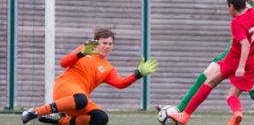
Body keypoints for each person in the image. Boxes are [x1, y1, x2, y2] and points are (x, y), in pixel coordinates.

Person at [21, 28, 159, 125]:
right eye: (104, 43)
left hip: (78, 101)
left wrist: (138, 73)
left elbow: (120, 83)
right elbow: (63, 63)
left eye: (110, 44)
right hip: (64, 89)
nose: (107, 46)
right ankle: (36, 111)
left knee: (101, 118)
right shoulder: (84, 50)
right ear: (96, 42)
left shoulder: (108, 68)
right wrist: (81, 53)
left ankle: (61, 121)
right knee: (82, 99)